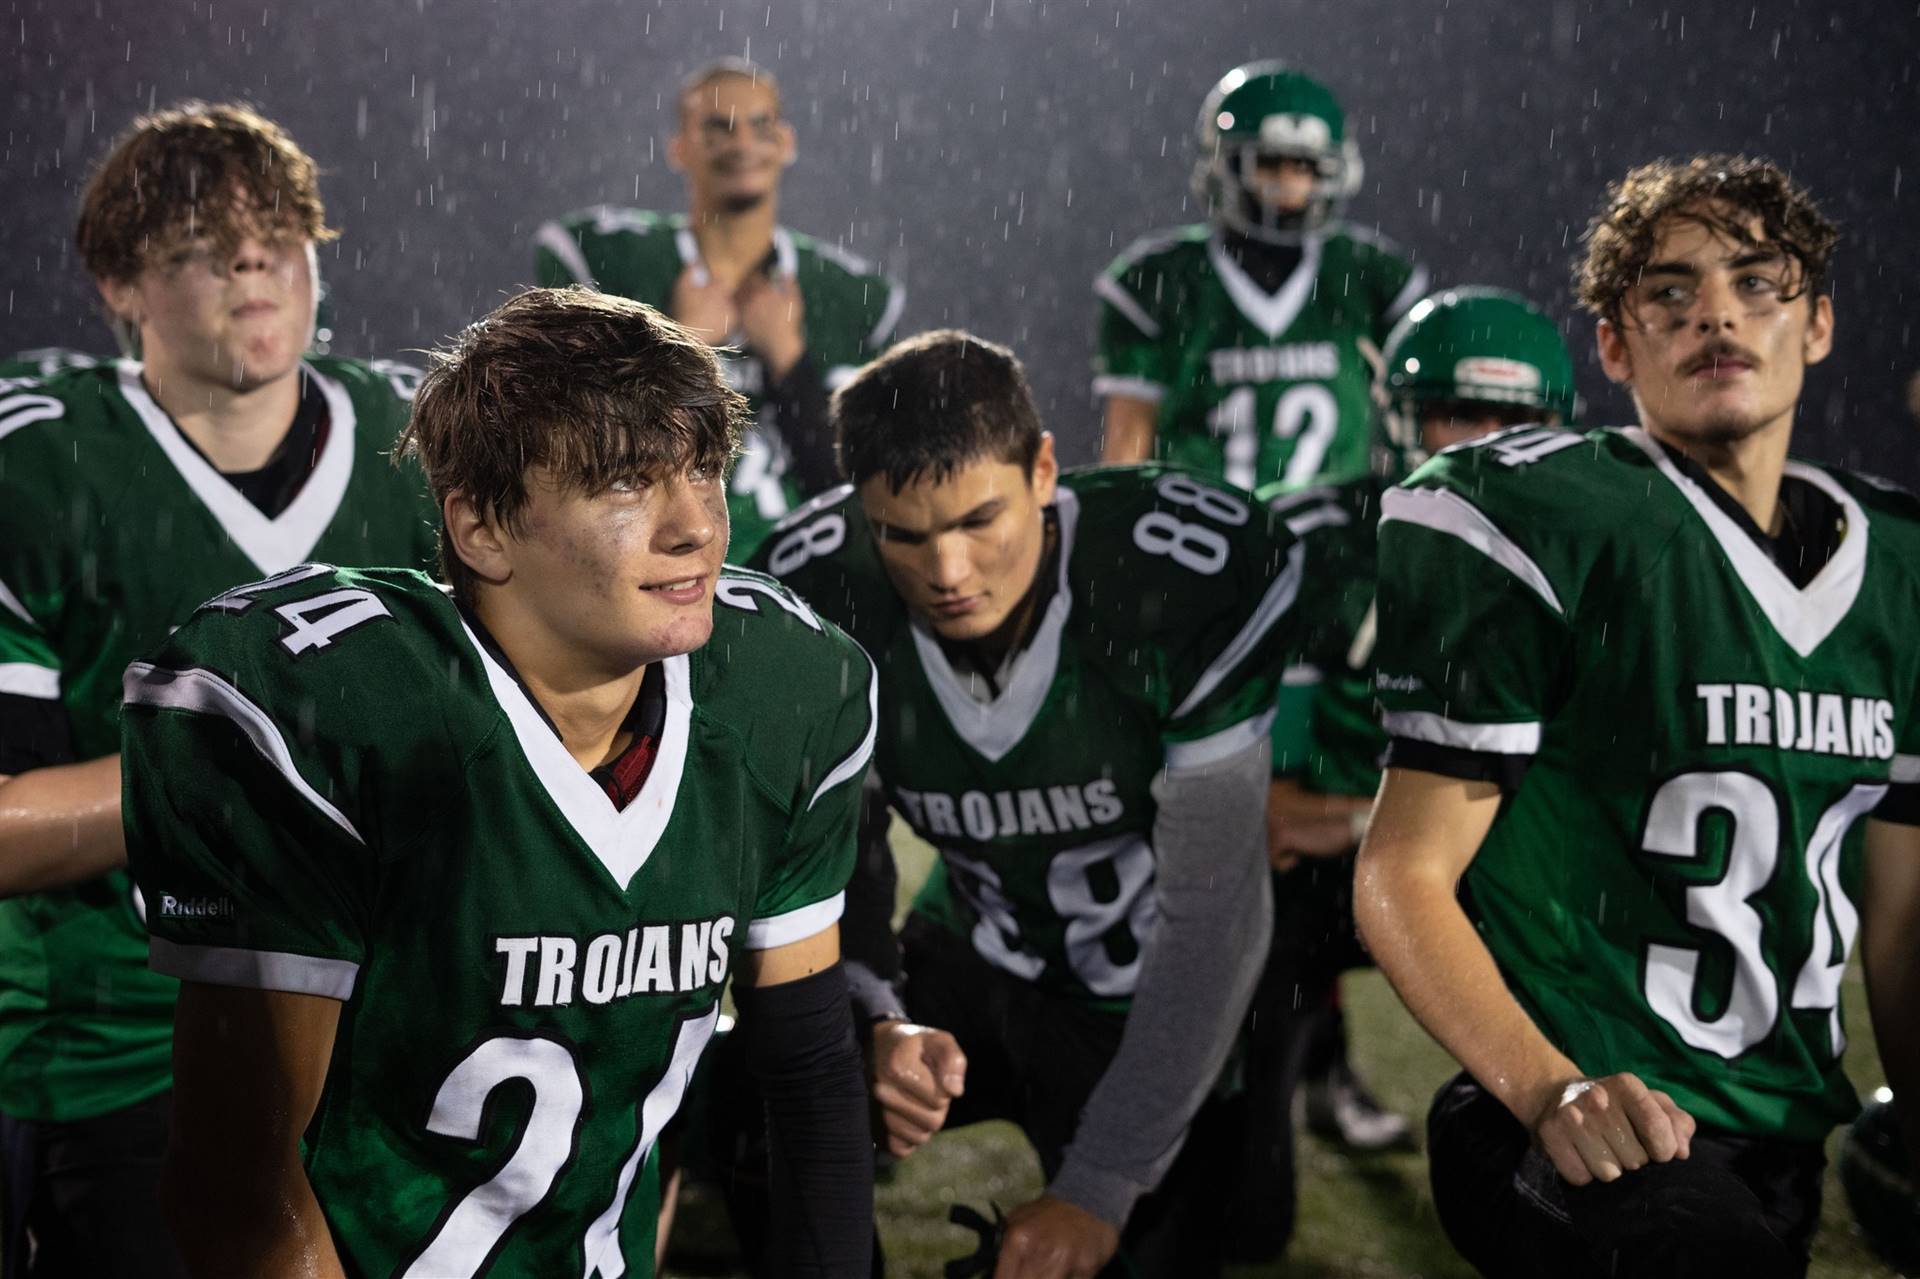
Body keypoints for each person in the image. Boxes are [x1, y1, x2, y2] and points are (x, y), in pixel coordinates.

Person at [120, 287, 878, 1276]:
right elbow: (236, 1188)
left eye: (704, 469)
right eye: (624, 484)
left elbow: (810, 1075)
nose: (696, 524)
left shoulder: (781, 688)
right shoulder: (336, 718)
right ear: (480, 527)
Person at [1356, 155, 1920, 1278]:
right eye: (1668, 291)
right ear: (1614, 348)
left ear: (1815, 323)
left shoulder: (1899, 567)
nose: (1713, 309)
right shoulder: (1544, 520)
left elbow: (1903, 915)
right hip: (1566, 1115)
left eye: (1757, 282)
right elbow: (1400, 873)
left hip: (1781, 1125)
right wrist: (1548, 1084)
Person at [753, 329, 1298, 1278]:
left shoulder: (1169, 579)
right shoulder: (824, 592)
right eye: (905, 535)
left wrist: (1102, 1180)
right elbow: (835, 866)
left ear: (1045, 469)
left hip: (1140, 992)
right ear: (860, 515)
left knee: (1218, 1228)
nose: (949, 572)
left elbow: (1215, 920)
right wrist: (876, 1017)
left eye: (978, 520)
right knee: (773, 1098)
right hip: (970, 956)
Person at [0, 101, 437, 1277]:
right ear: (118, 285)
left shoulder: (423, 442)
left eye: (277, 238)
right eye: (202, 246)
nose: (252, 266)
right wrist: (257, 758)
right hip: (103, 1027)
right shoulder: (35, 464)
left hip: (386, 1017)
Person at [1226, 287, 1578, 1263]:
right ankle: (1282, 1086)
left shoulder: (1597, 543)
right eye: (1461, 413)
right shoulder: (1314, 538)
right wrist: (1353, 826)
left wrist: (1351, 820)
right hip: (1334, 877)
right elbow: (1271, 803)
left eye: (1514, 420)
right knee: (1241, 1207)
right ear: (1400, 419)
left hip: (1481, 863)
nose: (1486, 445)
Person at [534, 56, 904, 561]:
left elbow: (852, 485)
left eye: (760, 126)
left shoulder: (843, 292)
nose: (742, 144)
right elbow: (579, 449)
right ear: (678, 148)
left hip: (802, 567)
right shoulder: (611, 264)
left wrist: (790, 361)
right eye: (718, 128)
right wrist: (687, 344)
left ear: (786, 142)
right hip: (645, 555)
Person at [1092, 60, 1427, 491]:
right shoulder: (1159, 282)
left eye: (1304, 167)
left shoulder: (1372, 277)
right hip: (1197, 529)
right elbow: (1126, 449)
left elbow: (1419, 425)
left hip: (1334, 538)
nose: (1288, 182)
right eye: (1270, 164)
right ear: (1224, 163)